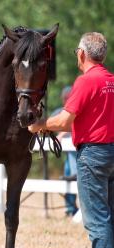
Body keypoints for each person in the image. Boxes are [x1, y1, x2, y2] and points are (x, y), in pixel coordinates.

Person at [28, 32, 114, 248]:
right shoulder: (111, 80)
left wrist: (39, 125)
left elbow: (65, 119)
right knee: (110, 213)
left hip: (93, 155)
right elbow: (79, 122)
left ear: (82, 53)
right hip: (111, 152)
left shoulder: (86, 81)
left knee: (97, 217)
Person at [52, 86, 78, 217]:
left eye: (68, 97)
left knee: (73, 176)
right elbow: (52, 124)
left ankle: (74, 209)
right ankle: (70, 209)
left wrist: (61, 134)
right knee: (68, 177)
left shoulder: (76, 109)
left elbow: (74, 123)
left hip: (77, 150)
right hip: (68, 153)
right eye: (65, 98)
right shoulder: (59, 111)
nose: (66, 100)